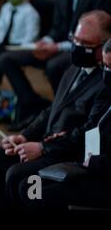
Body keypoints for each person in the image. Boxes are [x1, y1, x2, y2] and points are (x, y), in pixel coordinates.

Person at [0, 10, 111, 210]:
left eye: (86, 44)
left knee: (20, 177)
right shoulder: (74, 67)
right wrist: (25, 135)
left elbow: (87, 131)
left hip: (67, 152)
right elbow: (52, 108)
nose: (78, 47)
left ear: (104, 45)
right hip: (45, 143)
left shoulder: (104, 81)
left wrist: (42, 147)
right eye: (76, 40)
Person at [0, 0, 111, 125]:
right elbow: (57, 26)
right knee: (6, 59)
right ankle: (33, 106)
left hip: (82, 46)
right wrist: (47, 42)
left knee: (54, 66)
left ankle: (66, 111)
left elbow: (96, 34)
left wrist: (57, 47)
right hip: (58, 44)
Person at [17, 39, 111, 209]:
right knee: (29, 185)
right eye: (105, 66)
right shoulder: (107, 93)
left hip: (104, 176)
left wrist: (93, 162)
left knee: (39, 192)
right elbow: (90, 127)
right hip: (91, 165)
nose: (106, 73)